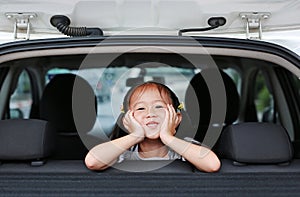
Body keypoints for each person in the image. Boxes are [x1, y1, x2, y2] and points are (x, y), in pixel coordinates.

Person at [85, 81, 221, 172]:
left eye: (158, 106)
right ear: (127, 120)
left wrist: (167, 137)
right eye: (140, 108)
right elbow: (92, 161)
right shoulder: (123, 151)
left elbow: (212, 164)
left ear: (177, 118)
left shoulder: (184, 147)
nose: (150, 113)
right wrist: (135, 136)